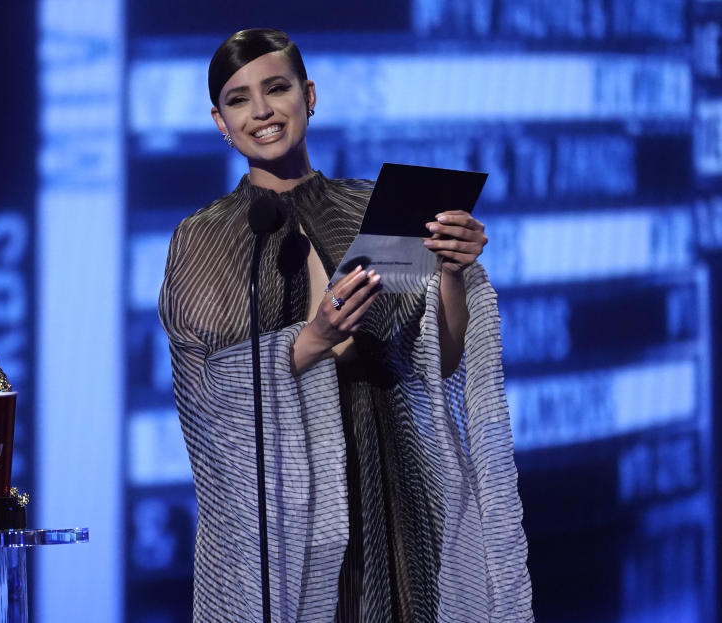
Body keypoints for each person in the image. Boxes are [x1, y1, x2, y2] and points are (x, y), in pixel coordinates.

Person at [159, 28, 532, 623]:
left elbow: (439, 358)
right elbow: (205, 394)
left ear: (309, 95)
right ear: (219, 122)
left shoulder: (372, 207)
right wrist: (313, 342)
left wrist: (456, 272)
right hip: (283, 515)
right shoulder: (202, 239)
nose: (261, 111)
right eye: (238, 99)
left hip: (393, 483)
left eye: (277, 88)